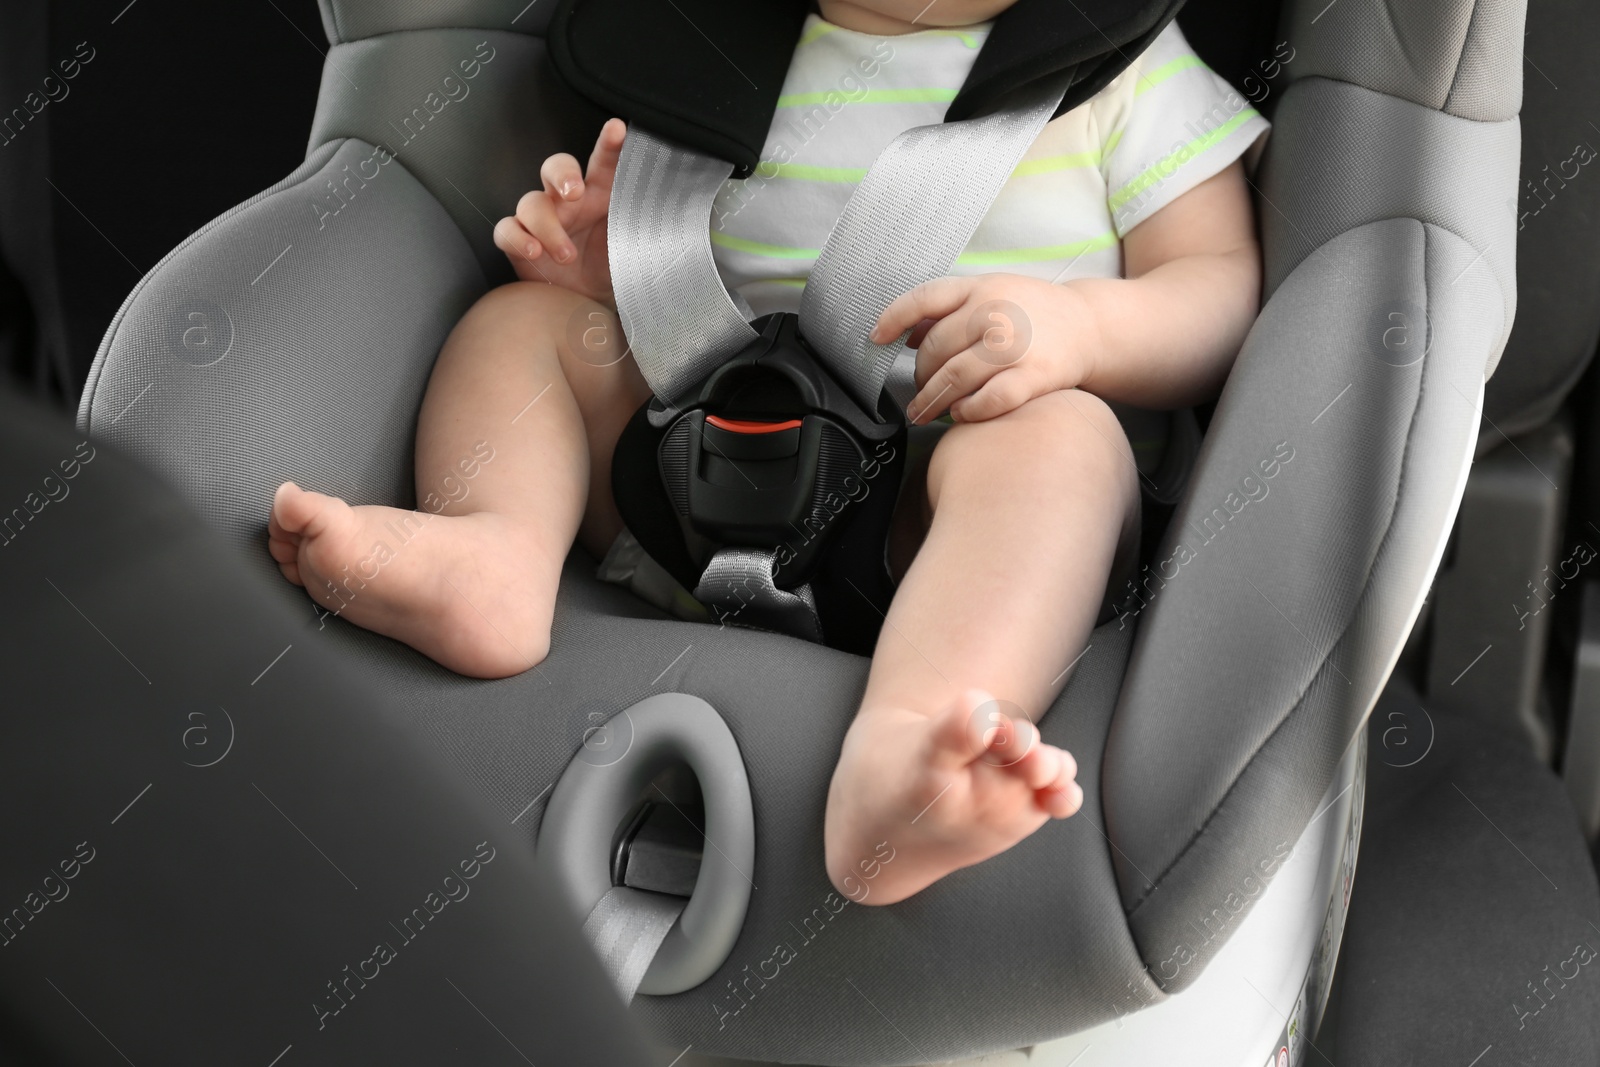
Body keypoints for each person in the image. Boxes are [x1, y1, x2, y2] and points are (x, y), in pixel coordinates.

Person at [266, 0, 1268, 905]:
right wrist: (605, 271)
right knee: (522, 326)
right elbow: (689, 292)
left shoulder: (1130, 68)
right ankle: (496, 552)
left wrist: (1083, 330)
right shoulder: (716, 46)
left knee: (1063, 444)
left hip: (943, 518)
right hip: (700, 469)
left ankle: (916, 742)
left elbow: (1218, 287)